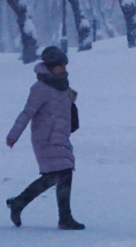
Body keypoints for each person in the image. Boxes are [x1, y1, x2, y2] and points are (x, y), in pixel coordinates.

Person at [5, 45, 83, 230]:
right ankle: (63, 217)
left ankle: (21, 203)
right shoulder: (40, 88)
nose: (64, 70)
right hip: (46, 138)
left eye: (64, 66)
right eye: (60, 66)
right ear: (50, 67)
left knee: (61, 174)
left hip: (61, 137)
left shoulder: (63, 86)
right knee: (58, 173)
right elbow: (27, 113)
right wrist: (13, 135)